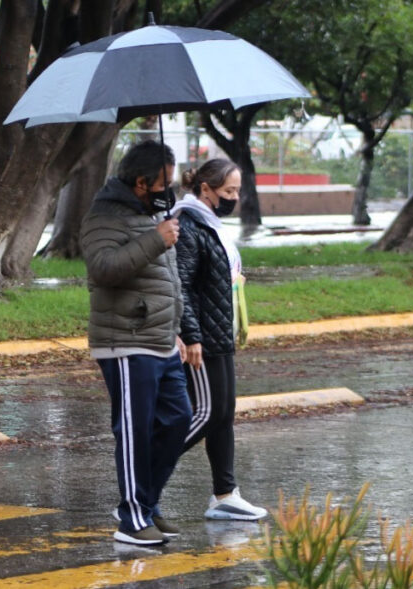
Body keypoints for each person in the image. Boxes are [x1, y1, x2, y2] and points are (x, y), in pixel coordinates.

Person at [80, 140, 193, 546]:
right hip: (126, 340)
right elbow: (105, 268)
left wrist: (176, 330)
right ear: (142, 182)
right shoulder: (103, 216)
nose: (170, 188)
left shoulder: (149, 215)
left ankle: (145, 502)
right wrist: (155, 241)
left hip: (160, 339)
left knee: (179, 419)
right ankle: (131, 519)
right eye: (165, 182)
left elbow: (166, 284)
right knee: (134, 431)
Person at [171, 158, 267, 521]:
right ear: (205, 189)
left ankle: (225, 494)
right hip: (200, 339)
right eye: (228, 191)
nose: (234, 198)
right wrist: (190, 335)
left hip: (218, 333)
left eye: (237, 191)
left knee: (224, 415)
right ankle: (143, 472)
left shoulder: (210, 225)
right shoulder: (188, 224)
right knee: (208, 413)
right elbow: (179, 285)